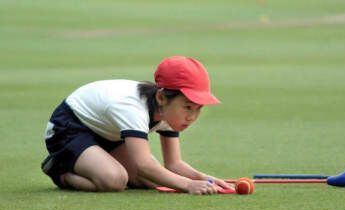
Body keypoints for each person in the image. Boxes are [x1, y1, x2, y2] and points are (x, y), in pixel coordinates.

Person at [41, 55, 233, 195]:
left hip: (108, 134)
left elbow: (173, 164)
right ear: (161, 97)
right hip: (68, 128)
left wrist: (204, 179)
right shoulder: (131, 107)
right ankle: (60, 171)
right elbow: (143, 164)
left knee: (151, 180)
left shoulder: (168, 111)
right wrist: (187, 185)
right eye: (188, 107)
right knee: (114, 180)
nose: (192, 117)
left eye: (198, 109)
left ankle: (97, 160)